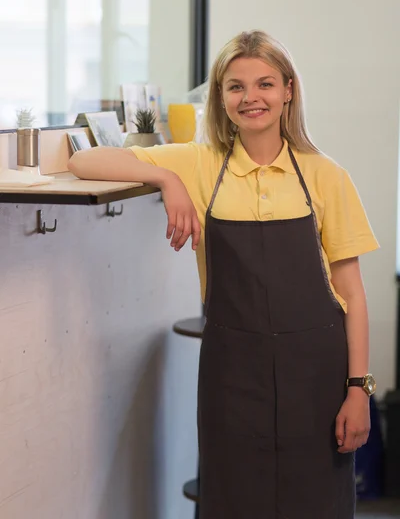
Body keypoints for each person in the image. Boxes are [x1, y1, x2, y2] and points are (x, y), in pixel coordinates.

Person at [68, 30, 379, 518]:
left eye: (265, 84)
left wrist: (358, 391)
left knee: (315, 501)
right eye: (235, 86)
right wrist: (167, 179)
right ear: (220, 96)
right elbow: (82, 159)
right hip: (232, 373)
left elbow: (353, 297)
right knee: (232, 500)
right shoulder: (198, 162)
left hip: (316, 374)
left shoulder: (325, 175)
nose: (251, 97)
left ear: (289, 90)